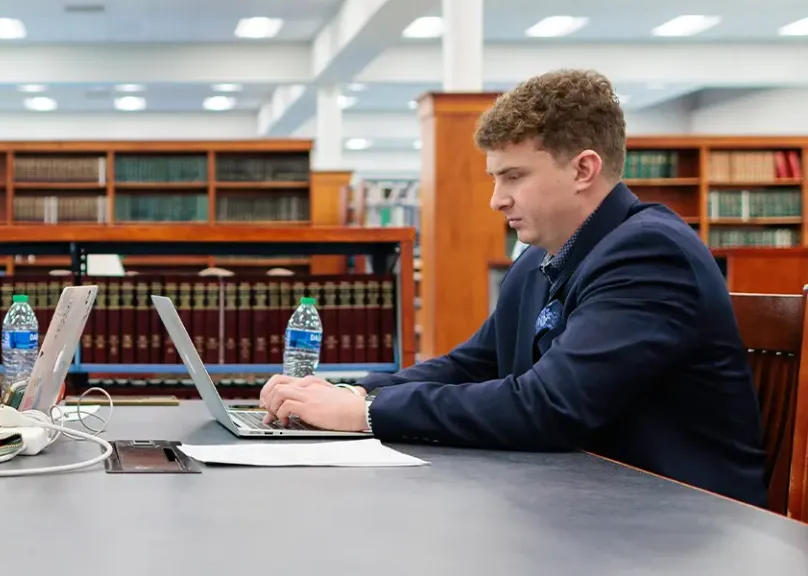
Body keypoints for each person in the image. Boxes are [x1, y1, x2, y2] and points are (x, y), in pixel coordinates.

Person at [259, 69, 768, 506]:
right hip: (587, 500)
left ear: (583, 169)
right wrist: (351, 391)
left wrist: (366, 414)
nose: (496, 200)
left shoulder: (651, 255)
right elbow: (471, 365)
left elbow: (550, 407)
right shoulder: (541, 260)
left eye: (514, 176)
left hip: (678, 524)